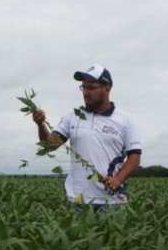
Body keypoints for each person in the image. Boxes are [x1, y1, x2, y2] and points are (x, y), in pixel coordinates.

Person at [31, 64, 142, 209]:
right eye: (83, 87)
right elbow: (51, 146)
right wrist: (40, 125)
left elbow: (135, 156)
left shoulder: (125, 119)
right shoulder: (72, 117)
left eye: (91, 88)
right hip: (77, 201)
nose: (85, 93)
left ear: (107, 88)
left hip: (113, 202)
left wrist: (118, 179)